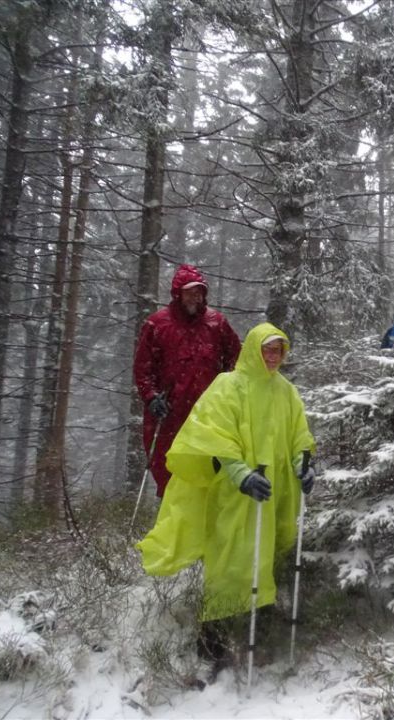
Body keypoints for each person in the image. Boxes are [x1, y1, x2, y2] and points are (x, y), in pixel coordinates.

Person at [136, 322, 316, 664]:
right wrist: (240, 474)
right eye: (267, 349)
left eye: (278, 350)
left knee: (266, 556)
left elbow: (299, 436)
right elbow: (213, 434)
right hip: (236, 493)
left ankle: (258, 633)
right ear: (252, 349)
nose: (273, 356)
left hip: (274, 492)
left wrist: (304, 465)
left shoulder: (286, 392)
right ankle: (212, 642)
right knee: (230, 561)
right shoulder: (228, 386)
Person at [134, 264, 241, 497]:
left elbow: (237, 356)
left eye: (199, 291)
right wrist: (152, 397)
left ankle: (206, 525)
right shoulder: (157, 324)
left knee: (209, 470)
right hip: (169, 413)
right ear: (177, 293)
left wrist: (227, 386)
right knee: (169, 471)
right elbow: (143, 368)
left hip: (209, 412)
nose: (195, 297)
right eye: (190, 291)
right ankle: (171, 525)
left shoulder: (217, 323)